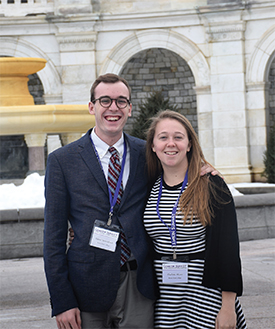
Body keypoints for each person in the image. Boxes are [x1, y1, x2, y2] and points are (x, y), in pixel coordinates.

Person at [44, 73, 217, 329]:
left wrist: (205, 170)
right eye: (105, 100)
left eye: (121, 101)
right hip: (85, 287)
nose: (113, 108)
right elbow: (53, 237)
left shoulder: (146, 152)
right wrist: (62, 301)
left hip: (139, 284)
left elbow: (177, 165)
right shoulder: (62, 160)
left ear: (130, 108)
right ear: (91, 107)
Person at [143, 110, 247, 329]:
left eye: (178, 137)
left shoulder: (211, 185)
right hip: (164, 297)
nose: (170, 143)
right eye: (163, 137)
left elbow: (227, 248)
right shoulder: (147, 186)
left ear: (189, 144)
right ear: (153, 145)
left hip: (205, 294)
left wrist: (227, 305)